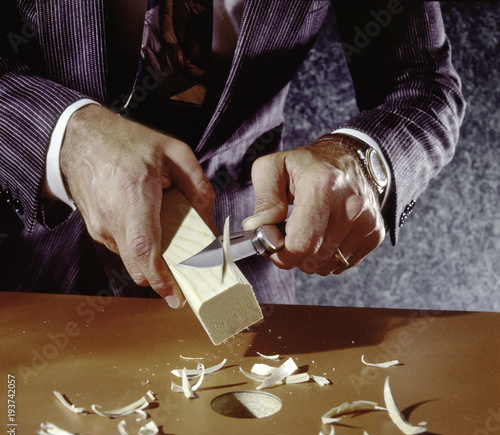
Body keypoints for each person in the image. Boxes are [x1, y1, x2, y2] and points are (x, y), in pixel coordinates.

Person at [0, 1, 465, 308]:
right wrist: (71, 138)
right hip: (29, 280)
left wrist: (360, 161)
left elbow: (422, 84)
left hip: (242, 270)